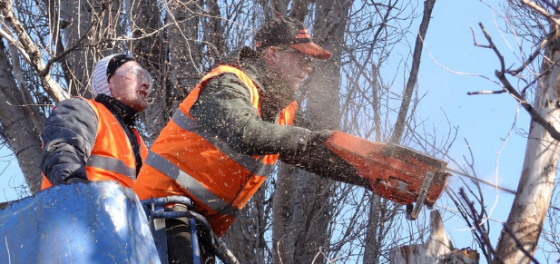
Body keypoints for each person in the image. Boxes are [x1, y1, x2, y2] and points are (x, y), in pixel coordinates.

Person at [134, 16, 373, 263]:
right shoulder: (227, 82)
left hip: (197, 222)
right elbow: (245, 131)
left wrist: (371, 174)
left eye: (309, 61)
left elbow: (315, 151)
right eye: (300, 57)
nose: (307, 67)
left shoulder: (283, 111)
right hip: (162, 206)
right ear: (273, 54)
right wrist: (306, 138)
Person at [40, 53, 152, 190]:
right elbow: (62, 153)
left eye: (146, 78)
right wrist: (76, 191)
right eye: (135, 74)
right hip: (79, 208)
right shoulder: (82, 109)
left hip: (122, 210)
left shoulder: (138, 142)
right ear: (108, 81)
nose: (145, 83)